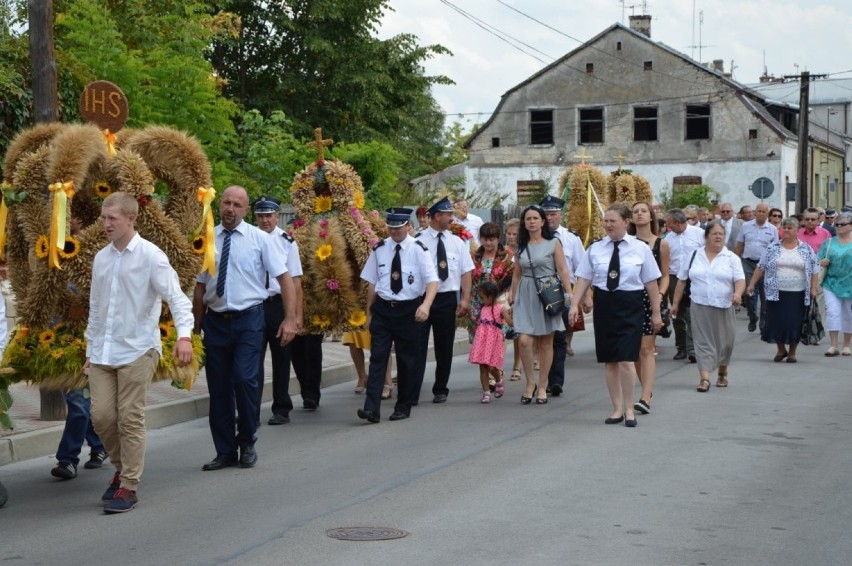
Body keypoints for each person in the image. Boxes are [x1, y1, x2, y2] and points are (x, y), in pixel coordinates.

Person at [86, 191, 195, 513]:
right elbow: (95, 306)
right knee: (102, 417)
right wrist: (91, 347)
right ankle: (121, 467)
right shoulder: (101, 258)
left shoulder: (151, 256)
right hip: (103, 351)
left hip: (138, 348)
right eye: (103, 218)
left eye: (112, 219)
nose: (105, 224)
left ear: (131, 219)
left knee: (129, 418)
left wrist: (184, 337)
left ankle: (129, 486)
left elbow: (176, 298)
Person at [193, 185, 298, 471]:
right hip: (215, 322)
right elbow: (200, 287)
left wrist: (290, 319)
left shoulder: (259, 239)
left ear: (245, 209)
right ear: (220, 205)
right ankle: (225, 450)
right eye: (226, 203)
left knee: (244, 380)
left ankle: (247, 440)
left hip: (249, 319)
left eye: (237, 205)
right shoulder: (207, 239)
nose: (230, 208)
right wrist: (195, 328)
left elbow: (285, 278)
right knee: (219, 387)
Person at [570, 204, 661, 426]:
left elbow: (651, 283)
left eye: (613, 221)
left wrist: (656, 313)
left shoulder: (640, 249)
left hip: (631, 304)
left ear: (625, 222)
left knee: (627, 360)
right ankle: (616, 408)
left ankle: (630, 408)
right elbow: (583, 278)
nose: (608, 225)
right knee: (610, 360)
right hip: (605, 305)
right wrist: (574, 304)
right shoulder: (595, 248)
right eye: (606, 221)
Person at [357, 208, 437, 423]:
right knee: (377, 358)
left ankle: (403, 405)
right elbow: (372, 283)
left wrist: (426, 305)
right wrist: (369, 312)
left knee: (407, 359)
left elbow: (432, 281)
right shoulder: (380, 249)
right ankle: (371, 408)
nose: (394, 231)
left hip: (408, 310)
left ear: (407, 225)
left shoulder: (419, 249)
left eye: (398, 227)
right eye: (391, 227)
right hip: (383, 309)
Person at [50, 215, 108, 480]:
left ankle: (68, 459)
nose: (69, 222)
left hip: (87, 341)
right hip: (58, 341)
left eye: (73, 217)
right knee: (79, 402)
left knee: (78, 403)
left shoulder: (93, 256)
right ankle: (99, 445)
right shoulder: (50, 253)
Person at [509, 205, 573, 405]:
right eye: (528, 218)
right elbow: (517, 273)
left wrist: (569, 294)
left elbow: (562, 270)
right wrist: (512, 296)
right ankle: (530, 383)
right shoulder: (521, 246)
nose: (532, 222)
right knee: (525, 341)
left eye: (535, 218)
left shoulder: (553, 243)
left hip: (548, 293)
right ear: (524, 223)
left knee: (546, 342)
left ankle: (543, 386)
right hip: (526, 293)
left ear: (542, 221)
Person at [671, 222, 745, 392]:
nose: (718, 237)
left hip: (724, 305)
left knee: (726, 342)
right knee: (702, 342)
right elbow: (682, 280)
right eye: (714, 234)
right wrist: (675, 304)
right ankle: (704, 378)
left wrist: (738, 294)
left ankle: (722, 371)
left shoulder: (731, 258)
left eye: (721, 234)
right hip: (699, 304)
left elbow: (739, 279)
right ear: (706, 237)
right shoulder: (693, 255)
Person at [413, 197, 474, 404]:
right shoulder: (419, 240)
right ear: (437, 216)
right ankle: (412, 389)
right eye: (448, 214)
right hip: (422, 299)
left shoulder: (457, 241)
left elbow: (466, 272)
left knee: (444, 346)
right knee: (418, 346)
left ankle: (441, 388)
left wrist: (465, 299)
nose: (451, 218)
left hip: (448, 298)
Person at [254, 196, 303, 426]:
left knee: (282, 357)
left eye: (269, 215)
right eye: (261, 216)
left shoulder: (287, 242)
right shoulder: (249, 239)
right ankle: (250, 407)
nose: (265, 220)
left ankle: (281, 407)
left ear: (277, 216)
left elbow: (295, 282)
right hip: (253, 304)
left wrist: (295, 316)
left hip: (278, 304)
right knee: (252, 359)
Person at [747, 217, 819, 363]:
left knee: (794, 322)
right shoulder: (773, 248)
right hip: (775, 291)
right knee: (776, 321)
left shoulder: (805, 249)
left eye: (790, 228)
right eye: (784, 227)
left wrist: (813, 288)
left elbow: (815, 269)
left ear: (797, 231)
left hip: (798, 293)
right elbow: (761, 266)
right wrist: (751, 284)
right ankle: (781, 349)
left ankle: (792, 352)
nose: (786, 230)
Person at [540, 195, 584, 396]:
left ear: (560, 214)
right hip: (538, 292)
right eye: (546, 214)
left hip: (561, 294)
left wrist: (584, 297)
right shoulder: (532, 236)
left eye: (553, 214)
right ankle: (537, 382)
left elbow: (582, 270)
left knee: (558, 338)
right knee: (540, 338)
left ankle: (555, 381)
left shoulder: (570, 238)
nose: (549, 218)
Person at [628, 202, 670, 415]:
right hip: (630, 299)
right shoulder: (627, 243)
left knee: (646, 349)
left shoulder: (660, 244)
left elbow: (665, 274)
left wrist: (660, 296)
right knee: (634, 351)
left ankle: (645, 396)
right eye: (636, 212)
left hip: (651, 298)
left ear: (651, 216)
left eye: (644, 211)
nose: (640, 214)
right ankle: (647, 388)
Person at [665, 208, 704, 362]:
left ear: (679, 222)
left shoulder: (698, 234)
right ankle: (681, 347)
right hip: (675, 277)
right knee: (677, 314)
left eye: (670, 224)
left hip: (694, 277)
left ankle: (692, 349)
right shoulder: (668, 238)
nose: (668, 227)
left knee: (692, 314)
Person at [735, 202, 778, 333]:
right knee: (749, 292)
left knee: (765, 295)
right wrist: (735, 261)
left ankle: (764, 320)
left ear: (767, 214)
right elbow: (740, 245)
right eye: (758, 211)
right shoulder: (746, 226)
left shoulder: (772, 230)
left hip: (765, 265)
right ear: (755, 212)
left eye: (763, 211)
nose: (760, 213)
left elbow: (775, 250)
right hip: (748, 263)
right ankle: (752, 317)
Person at [817, 210, 852, 356]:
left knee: (848, 314)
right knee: (832, 312)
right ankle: (833, 345)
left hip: (850, 284)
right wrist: (822, 262)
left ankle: (847, 345)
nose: (838, 226)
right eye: (837, 224)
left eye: (842, 224)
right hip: (831, 282)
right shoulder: (829, 242)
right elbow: (817, 260)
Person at [469, 281, 508, 403]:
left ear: (491, 297)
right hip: (482, 341)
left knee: (491, 367)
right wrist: (470, 314)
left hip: (493, 342)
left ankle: (498, 381)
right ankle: (486, 392)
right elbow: (477, 320)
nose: (481, 300)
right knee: (483, 366)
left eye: (482, 297)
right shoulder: (483, 308)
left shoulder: (500, 308)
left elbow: (509, 322)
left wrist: (513, 314)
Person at [503, 218, 523, 381]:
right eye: (509, 233)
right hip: (502, 294)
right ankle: (498, 366)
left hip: (520, 293)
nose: (511, 237)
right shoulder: (502, 252)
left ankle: (517, 365)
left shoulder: (524, 251)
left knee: (518, 332)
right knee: (503, 331)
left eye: (515, 234)